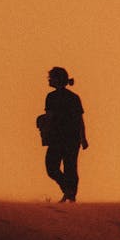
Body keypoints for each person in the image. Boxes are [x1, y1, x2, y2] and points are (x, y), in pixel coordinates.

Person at [40, 67, 88, 202]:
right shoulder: (52, 97)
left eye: (51, 77)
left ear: (58, 79)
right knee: (54, 167)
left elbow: (79, 119)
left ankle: (71, 196)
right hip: (61, 137)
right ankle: (68, 191)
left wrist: (83, 138)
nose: (49, 80)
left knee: (68, 167)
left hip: (68, 137)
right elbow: (50, 117)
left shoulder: (70, 97)